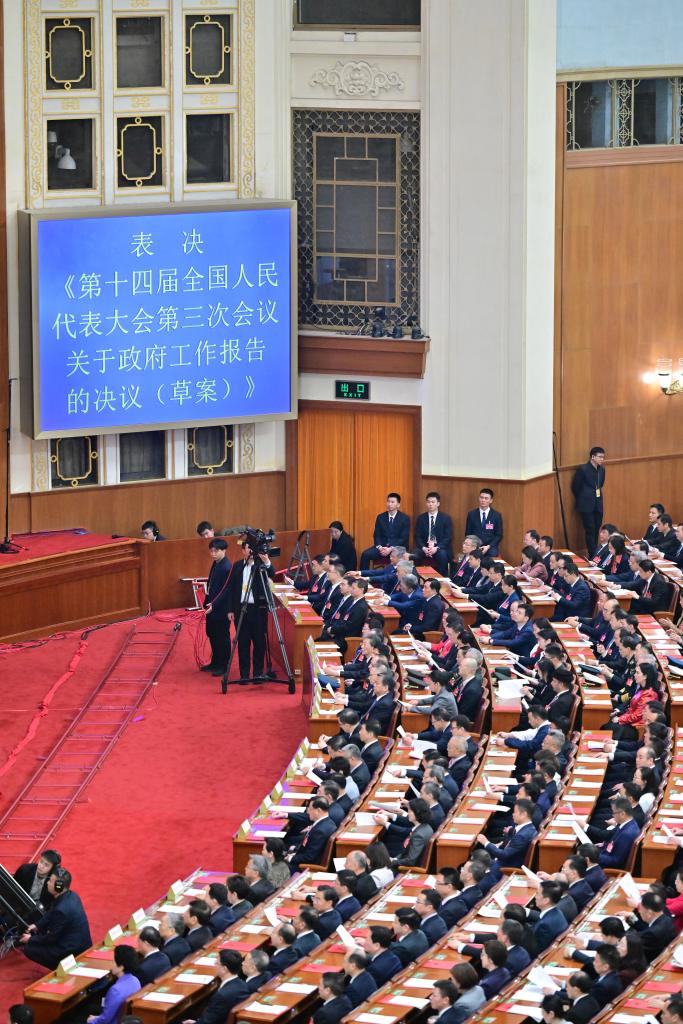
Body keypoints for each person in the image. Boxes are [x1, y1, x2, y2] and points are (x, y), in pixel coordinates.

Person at [21, 868, 91, 969]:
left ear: (59, 887)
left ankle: (61, 968)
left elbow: (51, 938)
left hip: (71, 952)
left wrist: (31, 939)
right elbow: (52, 912)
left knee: (29, 949)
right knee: (41, 931)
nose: (47, 883)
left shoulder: (61, 911)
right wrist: (37, 925)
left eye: (50, 881)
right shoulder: (72, 895)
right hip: (80, 944)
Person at [227, 537, 275, 685]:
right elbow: (231, 589)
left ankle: (258, 673)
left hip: (258, 609)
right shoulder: (237, 566)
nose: (251, 551)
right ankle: (244, 675)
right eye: (249, 548)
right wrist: (230, 609)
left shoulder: (261, 565)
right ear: (243, 550)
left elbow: (272, 573)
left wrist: (266, 561)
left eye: (253, 548)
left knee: (259, 642)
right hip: (241, 609)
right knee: (243, 642)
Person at [183, 949, 250, 1024]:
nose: (214, 964)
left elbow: (207, 1022)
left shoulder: (221, 996)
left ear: (224, 969)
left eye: (217, 963)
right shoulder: (243, 985)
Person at [201, 538, 232, 677]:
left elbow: (227, 591)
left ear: (224, 550)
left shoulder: (227, 567)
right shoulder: (216, 563)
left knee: (222, 636)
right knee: (212, 634)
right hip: (212, 605)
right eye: (211, 551)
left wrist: (214, 604)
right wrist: (207, 601)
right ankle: (215, 662)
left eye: (216, 551)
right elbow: (211, 585)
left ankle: (223, 665)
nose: (213, 554)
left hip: (221, 608)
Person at [86, 949, 142, 1024]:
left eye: (113, 962)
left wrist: (92, 1020)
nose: (111, 964)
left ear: (121, 967)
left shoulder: (115, 990)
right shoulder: (135, 980)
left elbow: (105, 1019)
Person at [360, 493, 411, 569]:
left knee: (401, 556)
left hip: (397, 548)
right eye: (388, 501)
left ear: (398, 505)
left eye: (392, 502)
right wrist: (380, 547)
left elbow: (403, 538)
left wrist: (390, 548)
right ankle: (363, 575)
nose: (389, 504)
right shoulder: (381, 517)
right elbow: (376, 535)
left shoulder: (404, 518)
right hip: (382, 547)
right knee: (365, 554)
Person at [571, 446, 606, 556]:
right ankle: (592, 554)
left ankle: (595, 551)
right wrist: (584, 497)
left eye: (603, 457)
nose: (602, 459)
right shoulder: (583, 469)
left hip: (598, 503)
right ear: (592, 457)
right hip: (586, 505)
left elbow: (601, 484)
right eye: (600, 457)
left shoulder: (602, 470)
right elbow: (575, 487)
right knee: (590, 529)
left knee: (596, 528)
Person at [412, 492, 453, 575]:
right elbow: (417, 536)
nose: (430, 504)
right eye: (428, 502)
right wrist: (424, 548)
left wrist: (436, 548)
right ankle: (418, 577)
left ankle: (440, 578)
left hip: (439, 548)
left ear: (438, 504)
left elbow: (448, 537)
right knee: (415, 554)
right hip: (425, 547)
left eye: (433, 502)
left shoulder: (445, 518)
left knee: (442, 555)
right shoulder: (421, 518)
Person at [464, 488, 504, 556]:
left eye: (486, 498)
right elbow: (468, 533)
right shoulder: (471, 514)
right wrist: (474, 546)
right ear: (479, 498)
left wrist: (488, 546)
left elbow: (499, 535)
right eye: (481, 497)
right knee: (471, 555)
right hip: (475, 546)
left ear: (491, 500)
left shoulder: (496, 515)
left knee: (492, 554)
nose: (483, 500)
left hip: (490, 547)